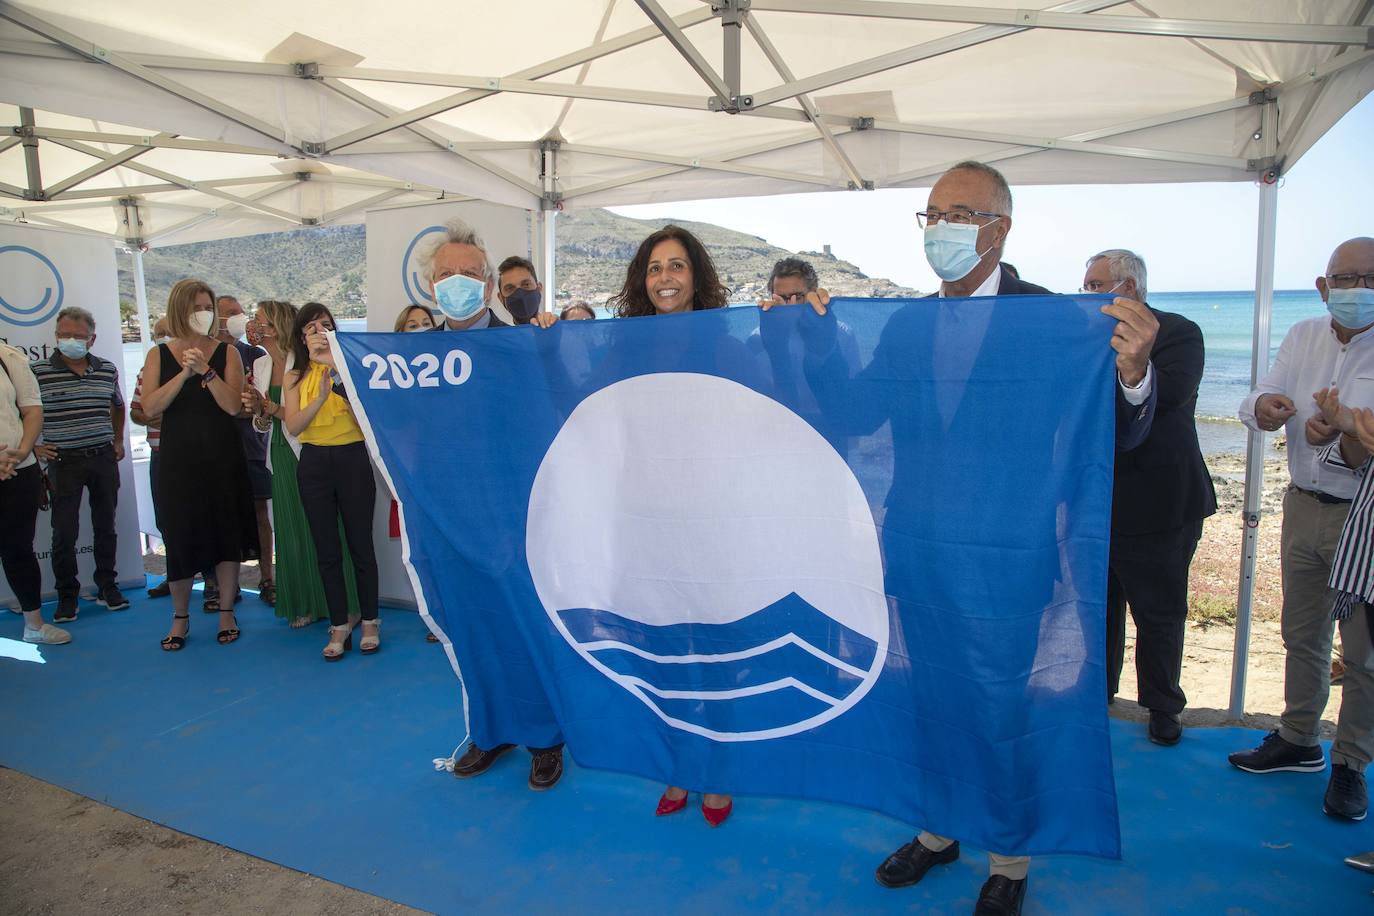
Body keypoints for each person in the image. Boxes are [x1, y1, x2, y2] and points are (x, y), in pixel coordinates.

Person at [770, 161, 1157, 916]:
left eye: (959, 214)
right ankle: (939, 831)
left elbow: (1119, 432)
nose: (940, 229)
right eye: (932, 214)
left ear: (998, 228)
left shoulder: (1049, 319)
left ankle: (1007, 860)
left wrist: (1136, 373)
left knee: (998, 710)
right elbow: (853, 412)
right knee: (929, 699)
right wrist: (817, 342)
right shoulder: (909, 324)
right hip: (917, 549)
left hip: (1007, 560)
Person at [415, 219, 566, 789]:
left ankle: (544, 737)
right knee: (469, 627)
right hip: (445, 522)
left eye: (469, 273)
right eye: (446, 274)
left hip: (509, 519)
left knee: (522, 627)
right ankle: (488, 728)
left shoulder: (519, 346)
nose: (457, 281)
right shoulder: (411, 360)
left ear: (489, 285)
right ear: (431, 286)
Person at [1230, 237, 1374, 822]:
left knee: (1362, 654)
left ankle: (1352, 762)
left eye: (1369, 278)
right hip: (1303, 505)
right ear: (1323, 286)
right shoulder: (1302, 335)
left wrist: (1345, 432)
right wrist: (1266, 408)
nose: (1356, 290)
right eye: (1344, 278)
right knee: (1301, 631)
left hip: (1365, 516)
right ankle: (1299, 739)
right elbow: (1261, 394)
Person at [610, 224, 735, 826]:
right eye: (655, 267)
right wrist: (548, 338)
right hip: (646, 520)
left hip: (708, 519)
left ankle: (716, 769)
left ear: (696, 275)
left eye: (677, 266)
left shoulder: (727, 342)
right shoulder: (620, 344)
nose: (665, 277)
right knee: (660, 647)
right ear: (643, 278)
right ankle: (676, 765)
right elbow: (571, 399)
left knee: (710, 646)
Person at [1083, 250, 1217, 746]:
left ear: (1131, 290)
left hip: (1162, 504)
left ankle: (1163, 706)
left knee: (1159, 613)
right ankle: (1099, 693)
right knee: (1100, 609)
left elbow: (1173, 393)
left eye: (1097, 286)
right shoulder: (1084, 339)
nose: (1088, 295)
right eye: (1086, 285)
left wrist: (1133, 367)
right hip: (1098, 503)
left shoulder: (1178, 333)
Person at [136, 279, 259, 650]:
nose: (204, 313)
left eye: (208, 306)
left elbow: (233, 406)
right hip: (177, 461)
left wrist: (207, 370)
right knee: (180, 536)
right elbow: (151, 407)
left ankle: (225, 611)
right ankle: (180, 618)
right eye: (197, 307)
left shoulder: (228, 354)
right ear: (179, 310)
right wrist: (185, 374)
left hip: (222, 458)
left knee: (225, 533)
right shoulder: (158, 355)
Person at [245, 300, 361, 630]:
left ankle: (342, 605)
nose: (254, 325)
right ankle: (304, 601)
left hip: (310, 449)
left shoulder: (306, 360)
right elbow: (263, 421)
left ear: (278, 324)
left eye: (261, 320)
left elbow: (301, 416)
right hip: (280, 452)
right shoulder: (263, 364)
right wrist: (259, 408)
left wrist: (272, 407)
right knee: (291, 530)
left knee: (326, 531)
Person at [282, 302, 380, 662]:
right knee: (327, 551)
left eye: (325, 326)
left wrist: (336, 378)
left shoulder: (350, 369)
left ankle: (370, 620)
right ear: (301, 336)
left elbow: (366, 420)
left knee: (361, 547)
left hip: (352, 458)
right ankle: (339, 624)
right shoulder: (293, 375)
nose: (319, 332)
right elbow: (293, 426)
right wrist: (319, 395)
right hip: (314, 463)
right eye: (311, 328)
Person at [31, 306, 129, 621]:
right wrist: (32, 447)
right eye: (64, 335)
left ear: (92, 338)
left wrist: (117, 440)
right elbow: (23, 414)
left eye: (77, 335)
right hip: (63, 461)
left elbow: (118, 406)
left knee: (106, 526)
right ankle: (67, 596)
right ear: (56, 336)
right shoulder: (38, 372)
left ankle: (107, 586)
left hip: (101, 457)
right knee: (64, 532)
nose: (70, 340)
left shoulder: (106, 369)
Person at [0, 342, 68, 645]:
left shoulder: (9, 357)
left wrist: (20, 453)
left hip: (17, 468)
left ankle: (34, 625)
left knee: (18, 549)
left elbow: (32, 410)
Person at [216, 294, 273, 609]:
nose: (240, 318)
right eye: (230, 314)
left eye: (241, 312)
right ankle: (224, 586)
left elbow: (258, 404)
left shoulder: (255, 354)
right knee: (221, 517)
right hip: (216, 449)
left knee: (259, 514)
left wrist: (235, 406)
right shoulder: (207, 354)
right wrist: (235, 405)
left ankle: (268, 579)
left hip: (252, 446)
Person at [131, 318, 178, 599]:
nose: (163, 338)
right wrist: (147, 414)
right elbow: (136, 412)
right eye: (158, 334)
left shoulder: (195, 370)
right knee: (166, 519)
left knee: (200, 516)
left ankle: (212, 582)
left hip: (191, 456)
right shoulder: (147, 371)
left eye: (168, 333)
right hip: (160, 454)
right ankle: (175, 575)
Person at [496, 255, 544, 325]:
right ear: (501, 298)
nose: (520, 295)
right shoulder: (499, 335)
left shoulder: (558, 329)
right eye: (510, 288)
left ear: (539, 288)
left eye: (526, 285)